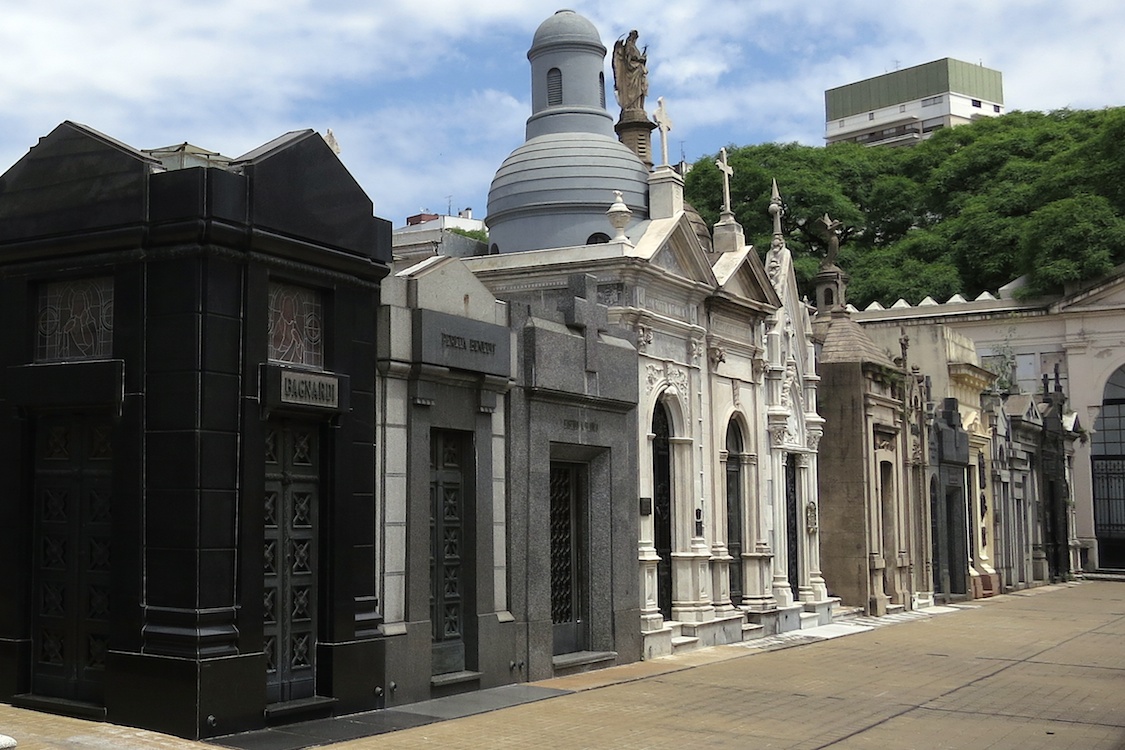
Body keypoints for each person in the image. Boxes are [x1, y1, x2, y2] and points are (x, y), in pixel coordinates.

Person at [613, 30, 647, 112]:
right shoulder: (629, 45)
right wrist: (640, 58)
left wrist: (642, 58)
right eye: (634, 37)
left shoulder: (634, 47)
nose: (635, 39)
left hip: (637, 71)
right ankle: (632, 106)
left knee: (639, 87)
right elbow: (629, 58)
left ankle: (637, 106)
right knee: (633, 88)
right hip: (632, 71)